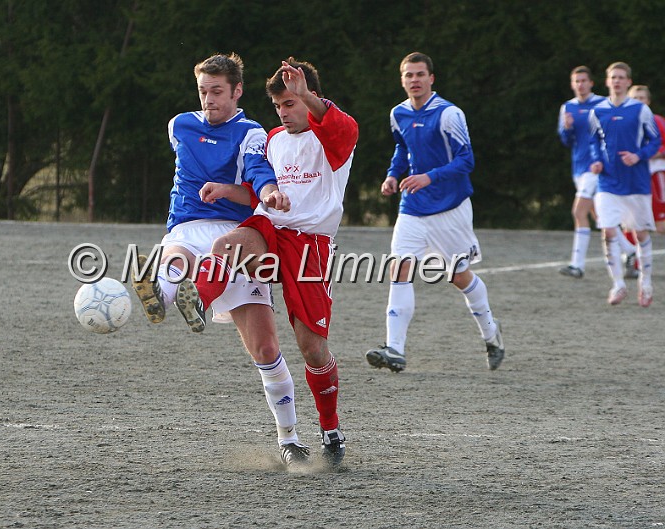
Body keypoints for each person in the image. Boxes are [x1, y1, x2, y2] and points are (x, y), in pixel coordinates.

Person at [173, 58, 358, 468]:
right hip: (272, 228)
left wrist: (308, 95)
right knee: (228, 244)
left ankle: (330, 426)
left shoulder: (334, 139)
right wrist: (230, 191)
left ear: (310, 99)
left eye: (292, 104)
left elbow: (340, 126)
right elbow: (259, 191)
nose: (284, 113)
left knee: (312, 348)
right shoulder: (273, 138)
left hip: (310, 244)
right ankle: (198, 301)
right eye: (279, 106)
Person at [131, 53, 311, 468]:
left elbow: (259, 170)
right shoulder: (181, 125)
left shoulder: (250, 133)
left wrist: (268, 195)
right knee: (177, 252)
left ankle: (290, 439)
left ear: (236, 91)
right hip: (189, 226)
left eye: (217, 92)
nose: (209, 100)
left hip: (236, 240)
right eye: (203, 91)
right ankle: (164, 292)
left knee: (266, 348)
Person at [365, 52, 505, 373]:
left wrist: (430, 176)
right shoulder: (398, 113)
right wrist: (391, 174)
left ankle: (492, 334)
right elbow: (403, 148)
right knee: (399, 268)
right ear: (402, 80)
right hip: (413, 206)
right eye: (408, 75)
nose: (414, 80)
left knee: (458, 276)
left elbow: (466, 161)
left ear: (431, 78)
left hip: (450, 208)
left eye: (420, 74)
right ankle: (395, 349)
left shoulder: (449, 114)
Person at [587, 62, 661, 307]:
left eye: (621, 78)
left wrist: (638, 156)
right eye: (613, 78)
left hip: (637, 183)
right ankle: (617, 284)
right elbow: (593, 142)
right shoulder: (597, 111)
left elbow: (655, 140)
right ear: (607, 82)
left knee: (641, 235)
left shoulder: (640, 110)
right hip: (608, 182)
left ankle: (646, 283)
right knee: (608, 231)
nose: (617, 81)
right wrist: (597, 161)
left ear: (628, 82)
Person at [557, 66, 606, 278]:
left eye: (584, 80)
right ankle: (631, 253)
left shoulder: (602, 104)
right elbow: (566, 141)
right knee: (599, 216)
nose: (580, 85)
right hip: (578, 166)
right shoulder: (567, 107)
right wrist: (566, 128)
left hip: (595, 167)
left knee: (578, 212)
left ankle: (577, 265)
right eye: (577, 81)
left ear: (591, 83)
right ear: (572, 84)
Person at [628, 85, 665, 235]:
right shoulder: (624, 122)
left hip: (654, 173)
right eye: (635, 98)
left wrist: (655, 153)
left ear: (648, 101)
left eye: (641, 98)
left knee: (660, 225)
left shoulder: (656, 120)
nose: (638, 101)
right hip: (632, 175)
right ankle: (632, 257)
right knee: (631, 222)